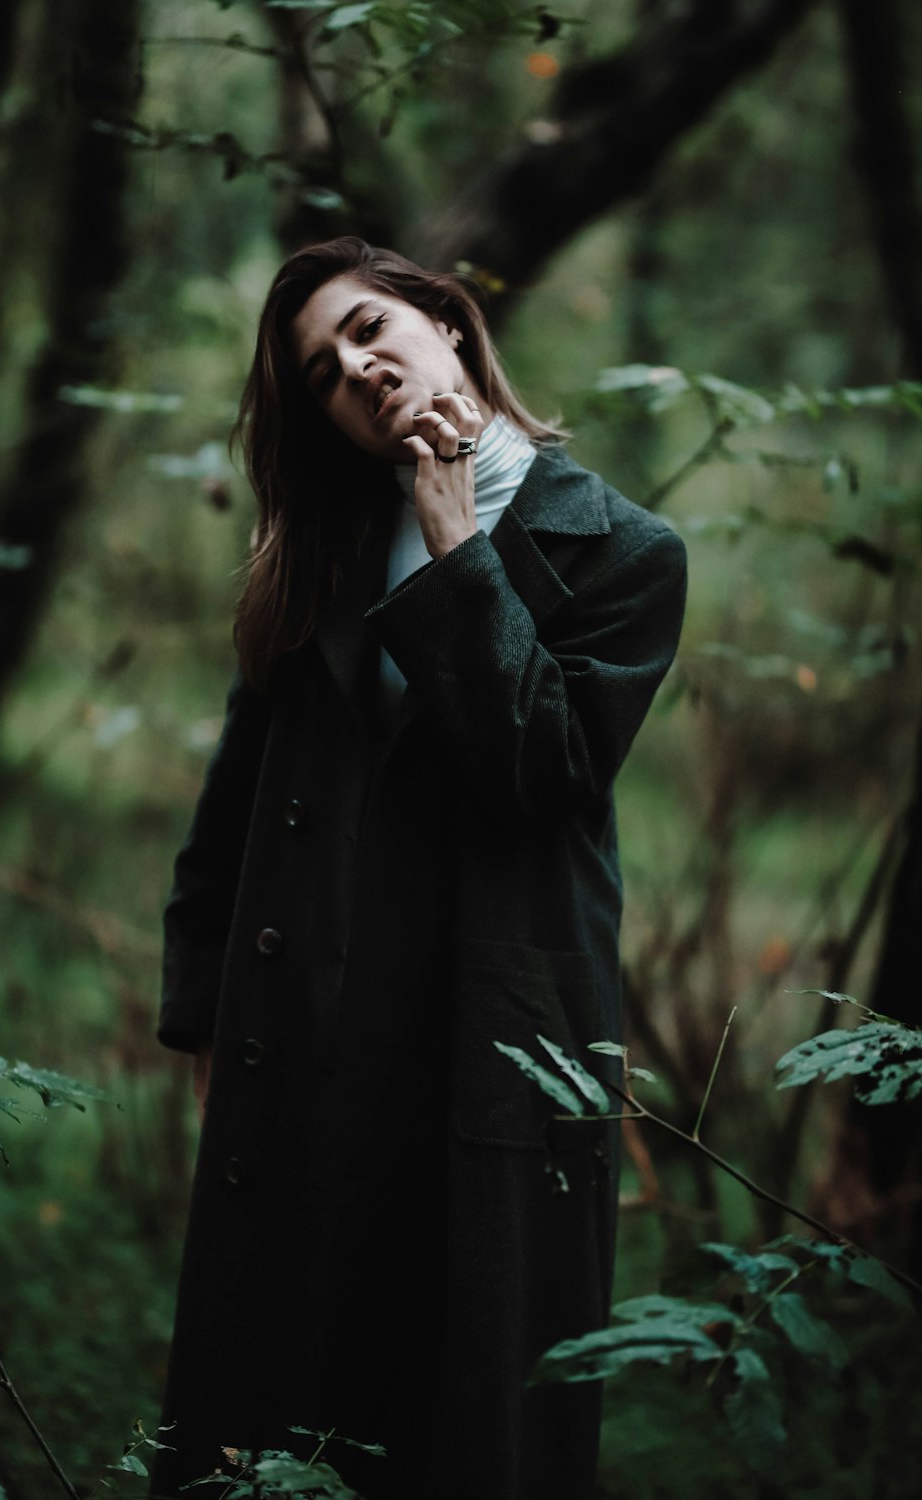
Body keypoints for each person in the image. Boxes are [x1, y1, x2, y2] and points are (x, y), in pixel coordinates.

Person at [150, 237, 687, 1500]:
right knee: (284, 1384)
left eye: (370, 326)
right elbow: (235, 810)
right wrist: (205, 1011)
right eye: (326, 370)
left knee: (466, 1400)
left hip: (492, 1035)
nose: (358, 366)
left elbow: (544, 773)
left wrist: (459, 550)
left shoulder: (626, 553)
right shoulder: (325, 554)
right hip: (316, 1019)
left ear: (444, 319)